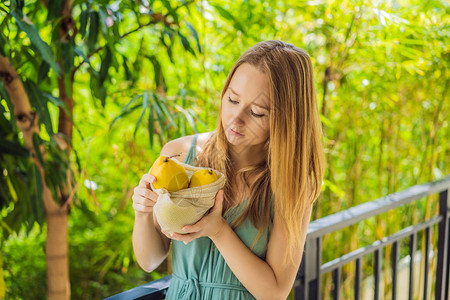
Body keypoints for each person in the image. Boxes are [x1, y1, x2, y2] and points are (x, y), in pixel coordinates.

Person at [131, 40, 326, 299]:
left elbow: (275, 292)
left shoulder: (292, 182)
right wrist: (143, 213)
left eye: (257, 113)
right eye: (232, 99)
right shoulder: (178, 155)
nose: (235, 118)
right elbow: (149, 260)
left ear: (286, 119)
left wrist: (219, 231)